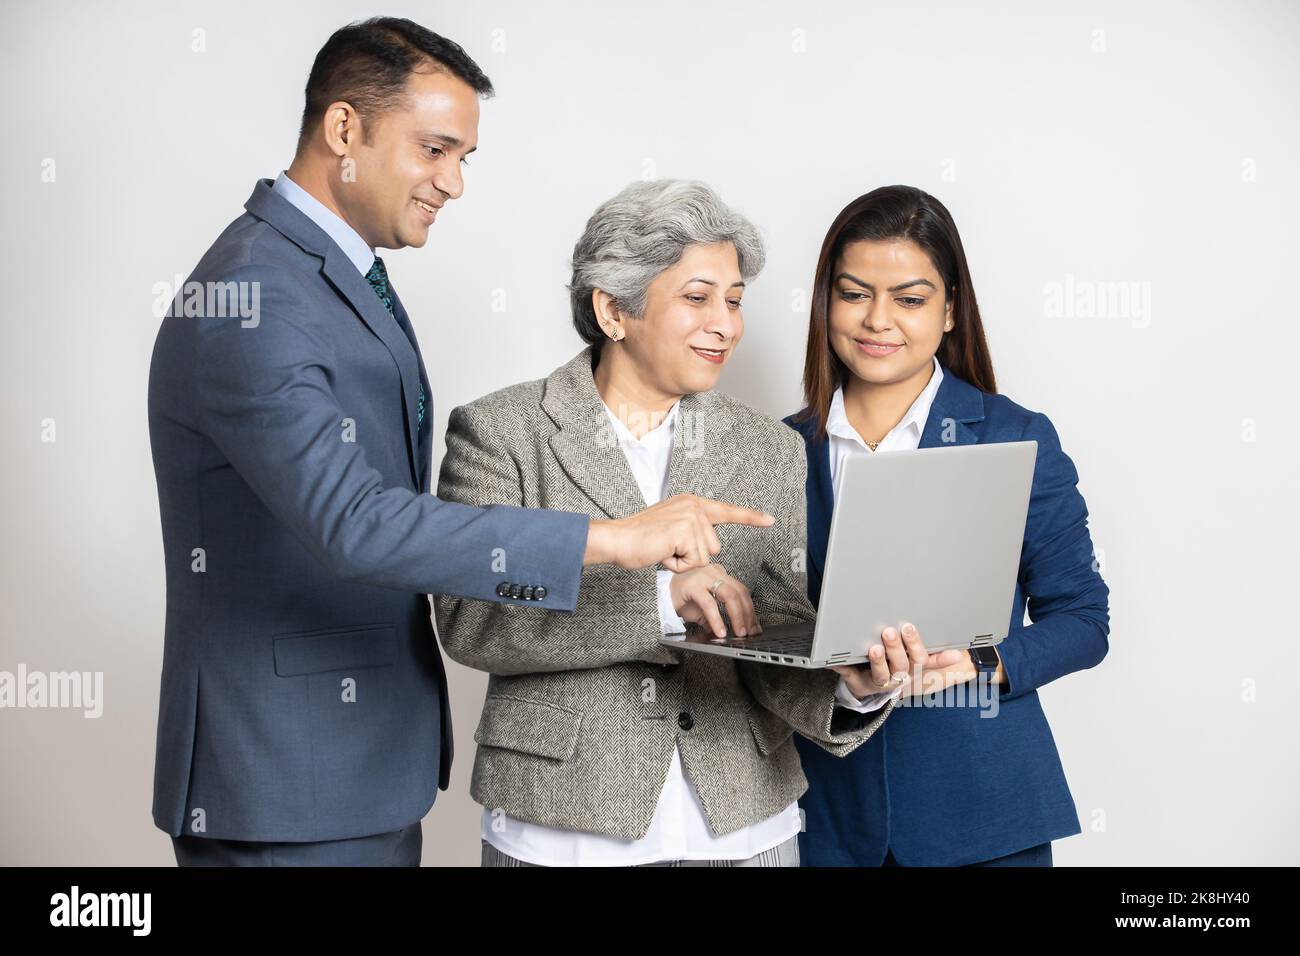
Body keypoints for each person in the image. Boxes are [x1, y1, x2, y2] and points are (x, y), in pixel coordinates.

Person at [148, 18, 771, 868]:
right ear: (343, 131)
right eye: (436, 149)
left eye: (464, 158)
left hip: (351, 764)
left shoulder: (331, 277)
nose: (454, 182)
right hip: (283, 777)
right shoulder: (255, 292)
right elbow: (357, 525)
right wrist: (617, 540)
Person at [434, 180, 957, 867]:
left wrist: (851, 685)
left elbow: (771, 635)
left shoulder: (768, 448)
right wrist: (658, 599)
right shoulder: (502, 433)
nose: (727, 324)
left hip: (747, 830)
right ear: (614, 309)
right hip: (562, 831)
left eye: (735, 300)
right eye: (698, 297)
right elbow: (474, 620)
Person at [785, 185, 1111, 867]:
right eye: (853, 294)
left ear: (950, 309)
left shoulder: (1014, 436)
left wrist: (979, 663)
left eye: (909, 299)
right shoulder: (780, 450)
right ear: (826, 302)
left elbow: (1082, 619)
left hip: (985, 817)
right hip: (825, 823)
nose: (878, 321)